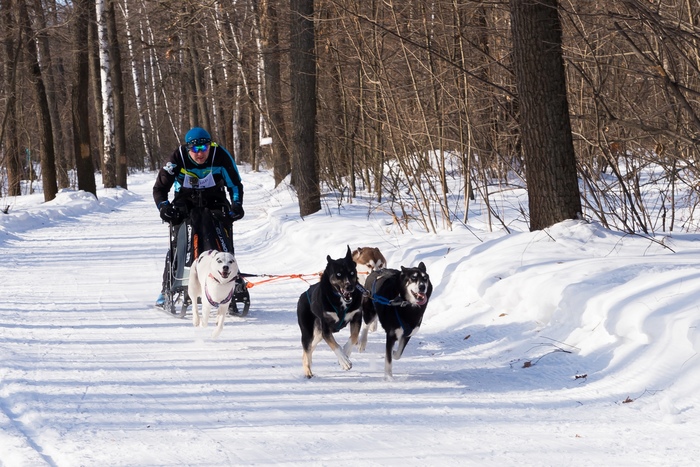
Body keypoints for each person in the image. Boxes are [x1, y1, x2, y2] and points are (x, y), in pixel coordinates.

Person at [153, 126, 244, 307]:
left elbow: (235, 185)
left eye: (204, 148)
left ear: (210, 146)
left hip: (215, 200)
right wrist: (163, 207)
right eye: (195, 149)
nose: (200, 153)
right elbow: (160, 188)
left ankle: (232, 282)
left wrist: (236, 205)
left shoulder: (221, 156)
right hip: (185, 201)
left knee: (219, 228)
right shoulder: (177, 158)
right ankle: (169, 285)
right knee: (181, 235)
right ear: (188, 149)